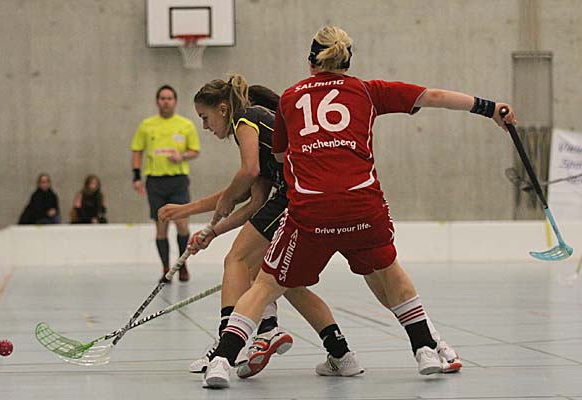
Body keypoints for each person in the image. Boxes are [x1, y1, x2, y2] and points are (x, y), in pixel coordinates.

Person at [201, 26, 518, 389]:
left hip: (311, 212)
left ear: (311, 62)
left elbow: (280, 157)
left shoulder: (290, 98)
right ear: (347, 62)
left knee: (265, 285)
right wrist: (490, 109)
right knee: (388, 272)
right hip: (362, 208)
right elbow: (434, 96)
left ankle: (222, 361)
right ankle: (426, 348)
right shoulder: (368, 91)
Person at [159, 77, 364, 379]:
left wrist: (221, 206)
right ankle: (340, 353)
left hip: (296, 197)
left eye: (205, 117)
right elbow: (254, 202)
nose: (205, 126)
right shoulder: (264, 134)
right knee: (282, 281)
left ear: (223, 108)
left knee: (237, 260)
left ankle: (230, 345)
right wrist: (209, 227)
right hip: (312, 198)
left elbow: (247, 172)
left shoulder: (246, 118)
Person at [131, 85, 201, 282]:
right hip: (155, 181)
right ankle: (165, 268)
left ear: (175, 101)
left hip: (177, 181)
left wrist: (182, 156)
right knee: (161, 226)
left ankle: (182, 264)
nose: (166, 101)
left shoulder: (185, 125)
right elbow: (137, 151)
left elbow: (195, 150)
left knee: (182, 224)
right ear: (157, 101)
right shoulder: (147, 125)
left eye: (169, 98)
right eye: (162, 98)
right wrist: (136, 177)